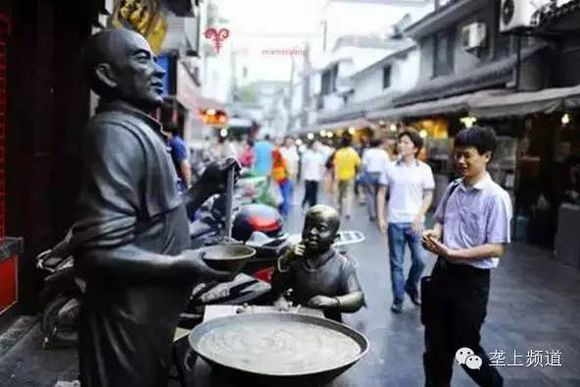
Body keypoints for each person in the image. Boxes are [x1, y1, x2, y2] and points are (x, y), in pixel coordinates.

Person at [71, 29, 238, 387]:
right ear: (106, 75)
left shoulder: (140, 130)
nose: (159, 69)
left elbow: (159, 219)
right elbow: (96, 253)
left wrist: (204, 187)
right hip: (125, 320)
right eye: (142, 58)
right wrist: (182, 264)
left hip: (149, 315)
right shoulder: (115, 134)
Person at [421, 126, 511, 387]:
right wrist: (434, 234)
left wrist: (455, 253)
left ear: (486, 157)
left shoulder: (496, 198)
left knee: (465, 348)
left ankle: (494, 384)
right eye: (457, 154)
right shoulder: (452, 189)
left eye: (467, 155)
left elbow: (496, 247)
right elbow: (441, 223)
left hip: (471, 283)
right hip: (442, 275)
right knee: (435, 347)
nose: (460, 161)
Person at [271, 205, 365, 322]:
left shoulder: (342, 265)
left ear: (335, 238)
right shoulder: (294, 257)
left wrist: (333, 302)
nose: (312, 232)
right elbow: (275, 287)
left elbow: (357, 297)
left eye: (321, 229)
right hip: (297, 319)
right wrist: (285, 260)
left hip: (329, 323)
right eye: (308, 227)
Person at [376, 129, 434, 314]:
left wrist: (419, 216)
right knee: (397, 263)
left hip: (416, 223)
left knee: (421, 260)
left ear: (415, 148)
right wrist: (380, 217)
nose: (401, 145)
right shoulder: (390, 167)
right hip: (395, 222)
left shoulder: (424, 169)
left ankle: (410, 285)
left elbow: (428, 194)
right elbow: (381, 193)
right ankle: (398, 299)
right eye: (400, 142)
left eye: (406, 142)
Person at [361, 138, 390, 222]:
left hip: (370, 174)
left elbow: (364, 165)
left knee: (370, 195)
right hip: (381, 175)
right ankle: (379, 214)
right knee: (380, 194)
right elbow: (387, 165)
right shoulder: (384, 153)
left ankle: (372, 214)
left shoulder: (367, 152)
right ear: (379, 144)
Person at [333, 136, 361, 219]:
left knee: (340, 193)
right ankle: (347, 212)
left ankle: (339, 207)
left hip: (339, 176)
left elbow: (335, 165)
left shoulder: (338, 153)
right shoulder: (353, 153)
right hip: (350, 176)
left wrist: (335, 176)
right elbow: (358, 163)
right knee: (349, 194)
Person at [163, 121, 192, 192]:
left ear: (169, 132)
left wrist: (188, 184)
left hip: (178, 184)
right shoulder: (169, 142)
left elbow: (184, 165)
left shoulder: (177, 143)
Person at [301, 140, 325, 209]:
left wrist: (322, 175)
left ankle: (313, 207)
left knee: (314, 193)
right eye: (315, 145)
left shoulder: (320, 155)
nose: (316, 146)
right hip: (308, 177)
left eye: (318, 145)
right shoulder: (307, 154)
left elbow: (321, 166)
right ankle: (304, 202)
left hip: (316, 177)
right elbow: (303, 165)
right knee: (308, 192)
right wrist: (302, 176)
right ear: (312, 145)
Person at [272, 145, 291, 216]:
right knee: (284, 195)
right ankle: (284, 210)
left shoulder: (275, 162)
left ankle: (283, 210)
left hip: (280, 180)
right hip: (282, 179)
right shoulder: (281, 160)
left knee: (281, 195)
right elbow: (286, 170)